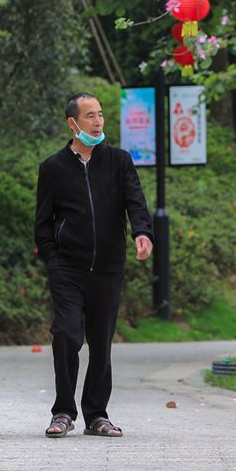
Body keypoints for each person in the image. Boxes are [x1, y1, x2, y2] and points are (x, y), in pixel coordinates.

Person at [35, 92, 153, 438]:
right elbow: (42, 223)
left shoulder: (119, 161)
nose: (98, 121)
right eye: (90, 116)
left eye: (100, 114)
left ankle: (96, 414)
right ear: (73, 123)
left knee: (101, 343)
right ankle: (62, 412)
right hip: (67, 269)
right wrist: (53, 261)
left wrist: (141, 233)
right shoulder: (53, 168)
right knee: (66, 335)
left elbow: (136, 202)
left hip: (108, 268)